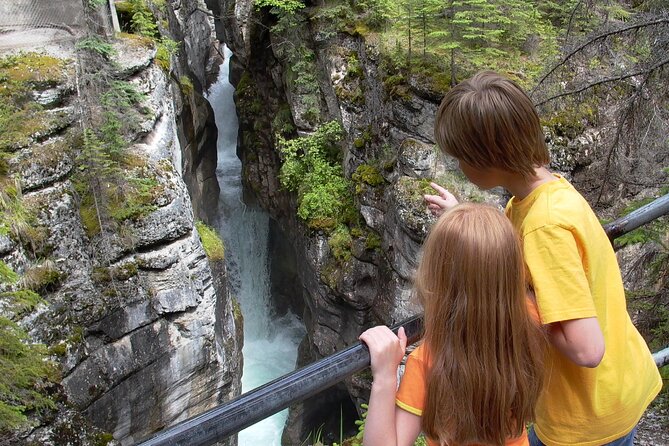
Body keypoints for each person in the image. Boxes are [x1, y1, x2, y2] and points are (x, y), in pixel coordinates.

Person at [424, 71, 661, 446]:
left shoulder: (544, 227)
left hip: (586, 415)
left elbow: (587, 348)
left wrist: (513, 299)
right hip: (615, 386)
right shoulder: (546, 196)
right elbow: (514, 253)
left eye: (460, 158)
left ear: (487, 158)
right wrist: (461, 216)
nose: (458, 167)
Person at [360, 203, 546, 446]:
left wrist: (384, 376)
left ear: (437, 282)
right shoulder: (529, 325)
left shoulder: (429, 361)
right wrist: (472, 224)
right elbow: (490, 276)